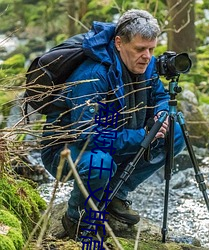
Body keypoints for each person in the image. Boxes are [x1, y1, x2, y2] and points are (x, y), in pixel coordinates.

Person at [41, 9, 185, 241]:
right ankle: (76, 217)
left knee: (175, 132)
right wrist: (143, 135)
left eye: (151, 49)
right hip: (67, 150)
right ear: (119, 43)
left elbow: (159, 96)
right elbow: (88, 136)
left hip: (116, 137)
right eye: (140, 49)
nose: (147, 56)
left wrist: (161, 114)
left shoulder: (145, 64)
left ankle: (115, 194)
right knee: (100, 163)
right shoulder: (93, 75)